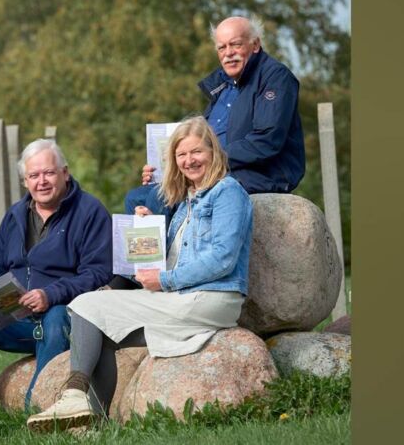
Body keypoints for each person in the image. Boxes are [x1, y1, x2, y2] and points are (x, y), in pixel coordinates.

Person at [26, 116, 253, 432]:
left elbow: (222, 259)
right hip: (184, 295)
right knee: (100, 327)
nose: (189, 161)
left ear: (213, 151)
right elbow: (175, 258)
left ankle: (73, 393)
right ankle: (93, 425)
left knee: (88, 305)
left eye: (196, 152)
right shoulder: (186, 200)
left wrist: (163, 280)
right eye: (181, 154)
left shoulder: (228, 193)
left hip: (211, 298)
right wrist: (147, 230)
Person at [0, 139, 113, 424]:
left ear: (65, 173)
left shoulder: (90, 212)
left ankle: (34, 412)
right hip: (16, 316)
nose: (42, 181)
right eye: (34, 176)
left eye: (48, 173)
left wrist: (51, 294)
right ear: (26, 181)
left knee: (57, 315)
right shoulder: (14, 216)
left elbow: (99, 272)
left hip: (61, 315)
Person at [124, 15, 306, 214]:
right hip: (216, 168)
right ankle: (158, 244)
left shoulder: (276, 77)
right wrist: (164, 168)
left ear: (255, 45)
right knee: (137, 196)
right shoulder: (224, 86)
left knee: (159, 197)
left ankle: (167, 245)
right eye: (222, 47)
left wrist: (210, 159)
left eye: (235, 45)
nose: (228, 53)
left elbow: (267, 141)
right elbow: (202, 140)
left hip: (260, 172)